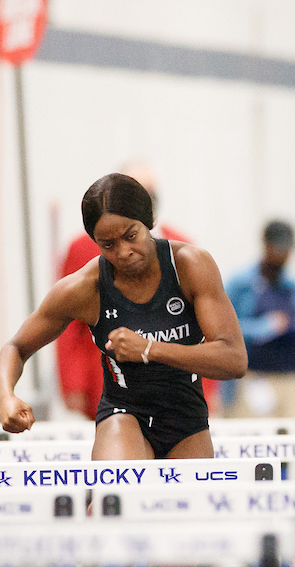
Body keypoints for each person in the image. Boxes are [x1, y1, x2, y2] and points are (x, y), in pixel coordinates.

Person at [0, 173, 247, 567]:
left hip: (186, 421)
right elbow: (16, 347)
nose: (123, 252)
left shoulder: (191, 266)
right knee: (116, 492)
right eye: (108, 244)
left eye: (130, 236)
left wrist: (153, 348)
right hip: (124, 412)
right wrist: (9, 396)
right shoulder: (86, 287)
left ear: (148, 222)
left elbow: (232, 358)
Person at [55, 162, 220, 418]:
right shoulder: (83, 250)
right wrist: (74, 385)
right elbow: (67, 327)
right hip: (108, 387)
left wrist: (209, 387)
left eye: (150, 191)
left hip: (177, 389)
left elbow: (205, 328)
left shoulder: (184, 249)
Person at [224, 220, 295, 418]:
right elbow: (224, 329)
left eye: (287, 250)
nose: (284, 255)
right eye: (279, 248)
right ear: (266, 245)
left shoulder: (294, 287)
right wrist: (266, 327)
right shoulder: (241, 283)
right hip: (252, 376)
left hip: (288, 376)